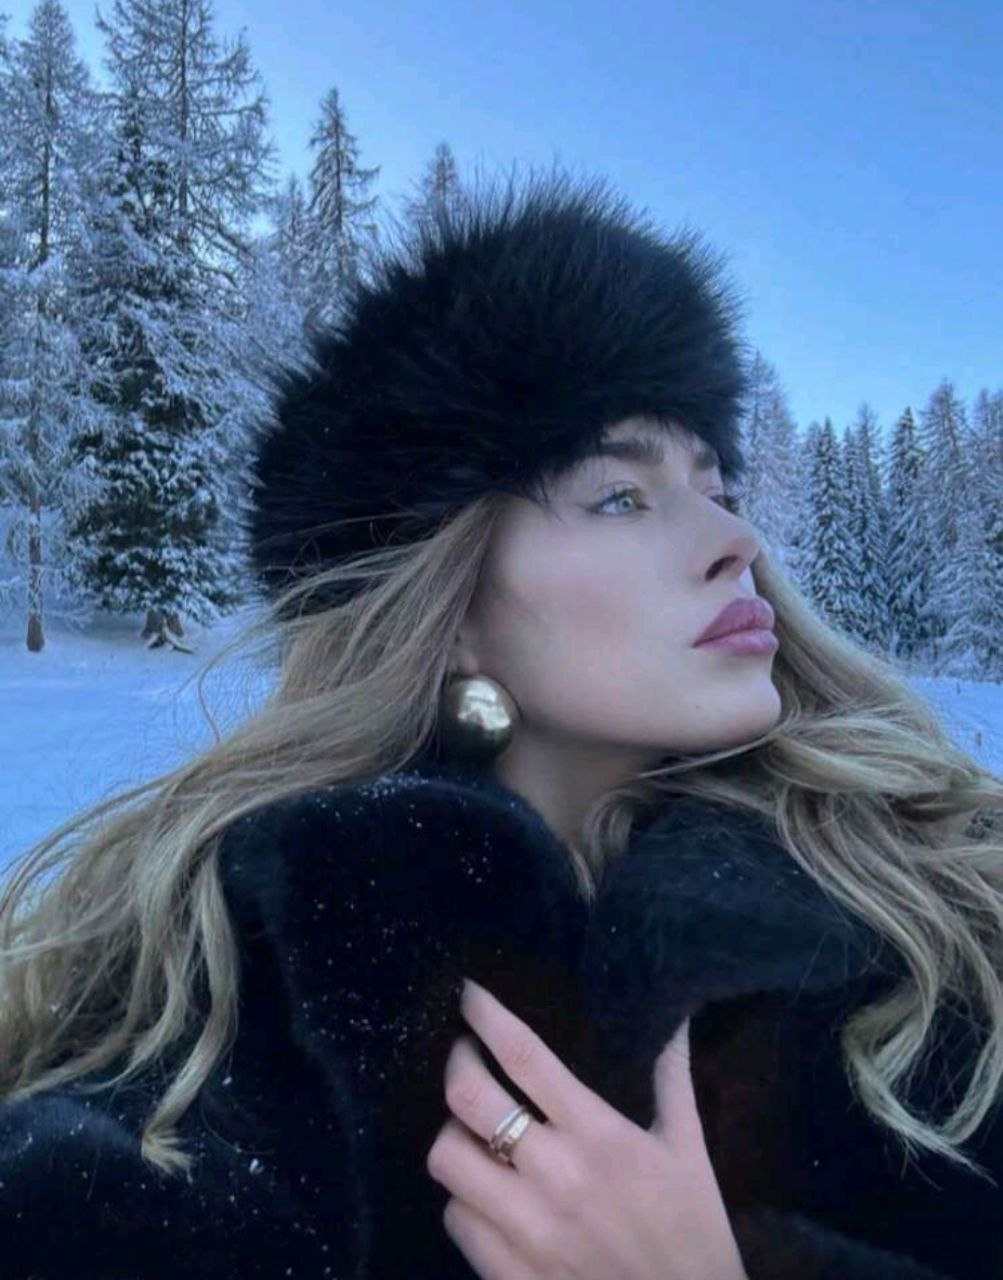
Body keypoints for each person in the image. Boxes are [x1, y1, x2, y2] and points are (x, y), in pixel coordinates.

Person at [0, 162, 1001, 1280]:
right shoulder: (235, 1012)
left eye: (717, 485)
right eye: (621, 495)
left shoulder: (942, 911)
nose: (738, 542)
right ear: (458, 606)